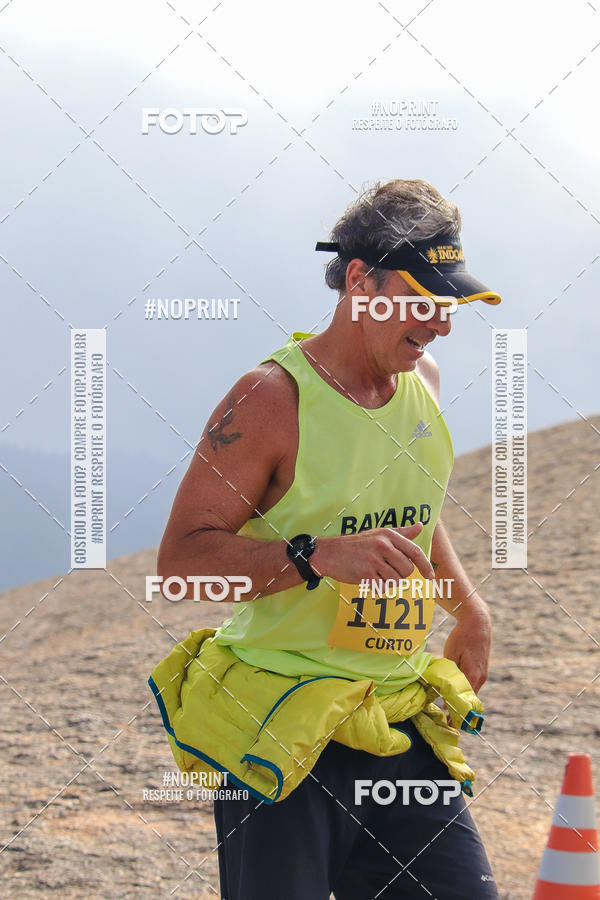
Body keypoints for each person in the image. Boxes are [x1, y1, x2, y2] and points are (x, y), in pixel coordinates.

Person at [155, 179, 501, 898]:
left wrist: (467, 608)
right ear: (359, 281)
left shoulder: (424, 380)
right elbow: (182, 565)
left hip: (395, 717)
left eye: (449, 303)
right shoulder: (269, 399)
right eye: (424, 299)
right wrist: (313, 556)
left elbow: (410, 512)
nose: (441, 324)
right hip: (280, 730)